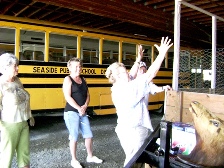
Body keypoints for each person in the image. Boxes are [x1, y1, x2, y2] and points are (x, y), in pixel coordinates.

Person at [105, 37, 173, 166]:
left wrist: (138, 59)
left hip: (124, 129)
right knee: (134, 160)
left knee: (134, 157)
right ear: (119, 76)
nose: (129, 73)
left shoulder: (117, 87)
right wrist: (162, 54)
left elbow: (132, 74)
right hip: (135, 130)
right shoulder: (130, 89)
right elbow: (150, 74)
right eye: (126, 72)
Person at [62, 57, 103, 168]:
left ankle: (90, 156)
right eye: (76, 66)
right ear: (69, 67)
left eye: (80, 66)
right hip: (71, 112)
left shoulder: (83, 79)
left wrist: (85, 106)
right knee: (74, 136)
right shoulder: (68, 79)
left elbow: (88, 95)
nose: (78, 68)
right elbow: (67, 96)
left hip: (82, 112)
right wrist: (79, 108)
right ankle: (74, 160)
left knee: (88, 135)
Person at [0, 53, 35, 168]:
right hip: (9, 125)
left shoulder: (17, 80)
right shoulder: (1, 84)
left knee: (24, 157)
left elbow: (23, 97)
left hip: (23, 122)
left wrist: (30, 115)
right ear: (5, 67)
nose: (18, 68)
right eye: (15, 66)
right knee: (6, 157)